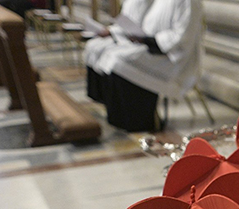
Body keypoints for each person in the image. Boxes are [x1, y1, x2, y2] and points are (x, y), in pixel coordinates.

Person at [86, 0, 202, 132]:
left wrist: (147, 40)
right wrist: (140, 37)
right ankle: (120, 116)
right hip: (153, 47)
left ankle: (140, 120)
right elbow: (145, 24)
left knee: (119, 60)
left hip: (172, 57)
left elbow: (182, 36)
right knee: (112, 55)